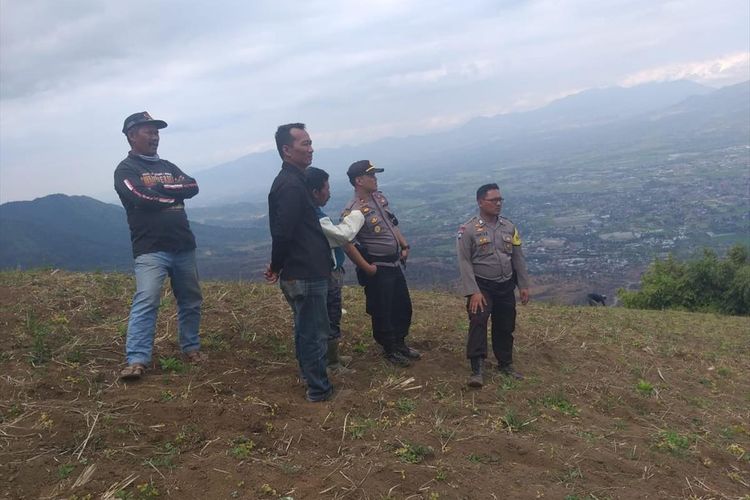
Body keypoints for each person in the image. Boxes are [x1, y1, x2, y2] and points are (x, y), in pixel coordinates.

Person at [114, 111, 204, 380]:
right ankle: (137, 359)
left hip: (183, 244)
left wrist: (161, 191)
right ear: (131, 136)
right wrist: (172, 195)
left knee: (191, 300)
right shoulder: (126, 170)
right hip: (151, 248)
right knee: (147, 299)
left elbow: (192, 185)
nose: (155, 137)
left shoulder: (168, 165)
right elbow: (140, 196)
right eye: (148, 132)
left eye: (156, 132)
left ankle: (191, 348)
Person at [265, 123, 334, 402]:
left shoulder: (294, 180)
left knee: (306, 328)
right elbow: (284, 232)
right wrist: (276, 265)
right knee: (313, 332)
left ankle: (310, 377)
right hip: (304, 270)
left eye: (310, 142)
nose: (311, 148)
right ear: (286, 149)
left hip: (304, 269)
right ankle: (318, 388)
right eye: (304, 144)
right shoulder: (291, 185)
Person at [341, 160, 420, 367]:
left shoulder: (378, 199)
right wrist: (367, 268)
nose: (375, 179)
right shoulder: (354, 210)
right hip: (378, 267)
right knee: (382, 309)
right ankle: (389, 348)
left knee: (402, 306)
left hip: (394, 264)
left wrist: (404, 245)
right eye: (371, 175)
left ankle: (400, 343)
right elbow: (346, 242)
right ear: (359, 181)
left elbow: (391, 224)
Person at [456, 183, 530, 387]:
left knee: (505, 324)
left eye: (500, 200)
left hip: (505, 284)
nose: (498, 204)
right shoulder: (468, 229)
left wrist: (523, 285)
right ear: (480, 202)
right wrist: (473, 292)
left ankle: (505, 363)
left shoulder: (509, 227)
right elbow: (464, 261)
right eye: (493, 200)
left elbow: (517, 257)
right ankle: (477, 368)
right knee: (478, 321)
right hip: (482, 285)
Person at [304, 167, 371, 373]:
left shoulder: (309, 211)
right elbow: (342, 235)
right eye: (327, 188)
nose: (329, 192)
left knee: (328, 315)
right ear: (316, 192)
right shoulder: (314, 215)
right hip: (325, 274)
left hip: (323, 272)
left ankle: (331, 357)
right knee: (330, 315)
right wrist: (358, 212)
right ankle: (331, 363)